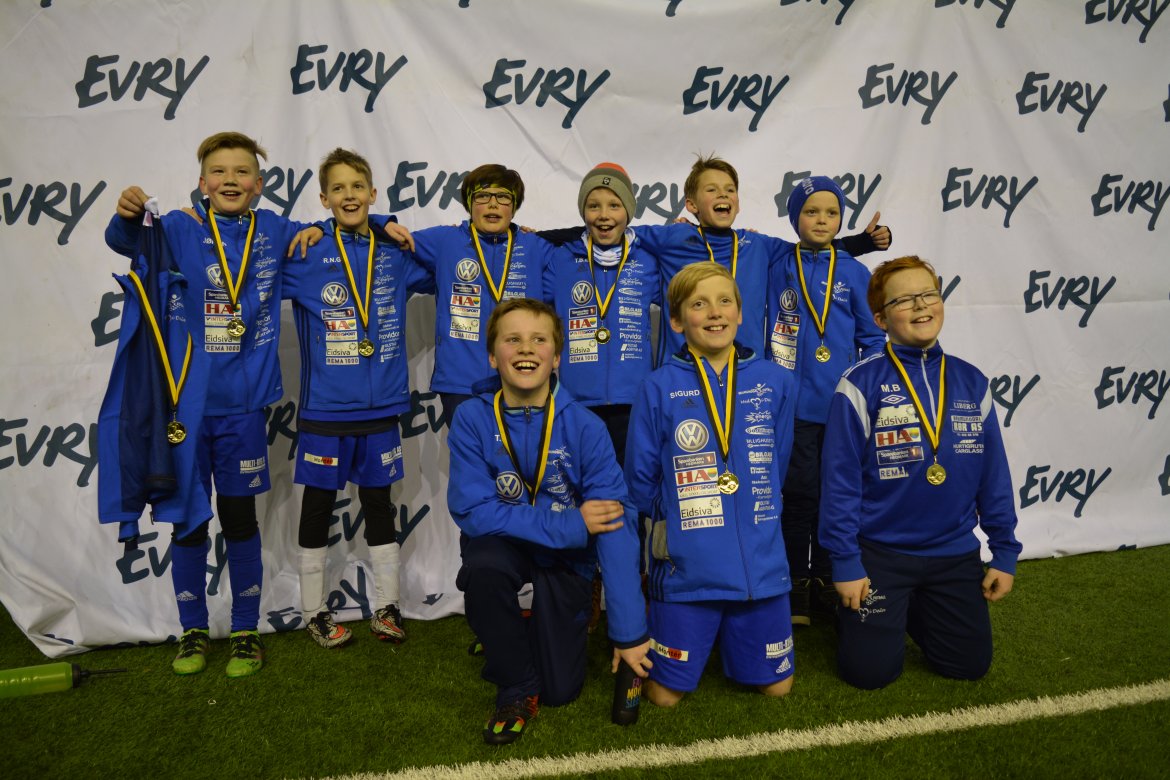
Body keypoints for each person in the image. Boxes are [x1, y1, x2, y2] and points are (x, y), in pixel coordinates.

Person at [104, 131, 322, 677]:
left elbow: (340, 227)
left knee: (240, 520)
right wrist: (128, 215)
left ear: (259, 184)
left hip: (243, 410)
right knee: (188, 525)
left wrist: (376, 219)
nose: (231, 180)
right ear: (202, 183)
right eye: (219, 172)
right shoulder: (179, 227)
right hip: (185, 410)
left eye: (242, 172)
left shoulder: (275, 229)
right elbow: (125, 242)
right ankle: (193, 631)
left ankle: (245, 630)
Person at [446, 298, 649, 745]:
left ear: (556, 357)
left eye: (539, 340)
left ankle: (519, 625)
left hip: (566, 557)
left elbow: (614, 525)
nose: (526, 348)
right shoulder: (471, 418)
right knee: (484, 567)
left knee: (559, 691)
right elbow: (473, 511)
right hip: (507, 544)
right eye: (512, 339)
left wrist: (629, 631)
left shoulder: (586, 426)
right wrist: (571, 524)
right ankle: (515, 687)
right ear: (492, 355)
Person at [819, 255, 1021, 690]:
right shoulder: (859, 383)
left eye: (929, 294)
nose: (921, 305)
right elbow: (839, 483)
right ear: (880, 319)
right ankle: (867, 612)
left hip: (953, 554)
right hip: (880, 555)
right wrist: (846, 562)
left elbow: (993, 475)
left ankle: (908, 608)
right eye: (904, 300)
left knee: (969, 665)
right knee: (868, 675)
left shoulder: (971, 381)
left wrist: (1004, 551)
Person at [625, 263, 797, 707]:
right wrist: (675, 526)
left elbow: (777, 463)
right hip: (688, 569)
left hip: (760, 568)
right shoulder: (657, 386)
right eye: (699, 304)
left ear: (740, 312)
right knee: (664, 696)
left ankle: (735, 632)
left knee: (777, 687)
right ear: (677, 321)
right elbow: (640, 480)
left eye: (724, 301)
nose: (715, 312)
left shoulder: (776, 381)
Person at [282, 148, 431, 649]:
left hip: (382, 408)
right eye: (338, 188)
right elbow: (256, 258)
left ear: (372, 193)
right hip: (325, 411)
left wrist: (386, 225)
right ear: (324, 198)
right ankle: (313, 612)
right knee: (318, 507)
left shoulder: (393, 253)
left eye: (357, 187)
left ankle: (387, 606)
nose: (349, 195)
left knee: (379, 505)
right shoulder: (306, 253)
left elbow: (442, 262)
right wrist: (312, 229)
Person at [767, 176, 887, 626]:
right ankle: (795, 583)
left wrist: (860, 390)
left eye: (832, 213)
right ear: (794, 217)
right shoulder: (777, 262)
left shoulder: (853, 272)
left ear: (841, 219)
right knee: (796, 496)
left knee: (833, 497)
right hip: (791, 409)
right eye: (811, 211)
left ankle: (826, 577)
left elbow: (873, 337)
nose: (822, 220)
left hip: (839, 410)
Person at [636, 155, 890, 362]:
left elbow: (809, 250)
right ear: (692, 205)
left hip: (746, 373)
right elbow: (622, 236)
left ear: (738, 203)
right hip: (685, 371)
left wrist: (861, 242)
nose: (723, 194)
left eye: (730, 190)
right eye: (712, 190)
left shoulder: (757, 245)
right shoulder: (674, 237)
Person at [395, 164, 564, 420]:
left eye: (503, 197)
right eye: (483, 196)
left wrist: (552, 235)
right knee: (467, 447)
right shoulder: (446, 241)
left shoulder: (536, 246)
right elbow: (383, 246)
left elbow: (582, 248)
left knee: (522, 447)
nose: (493, 204)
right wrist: (381, 223)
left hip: (522, 378)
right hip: (461, 383)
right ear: (469, 203)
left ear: (514, 206)